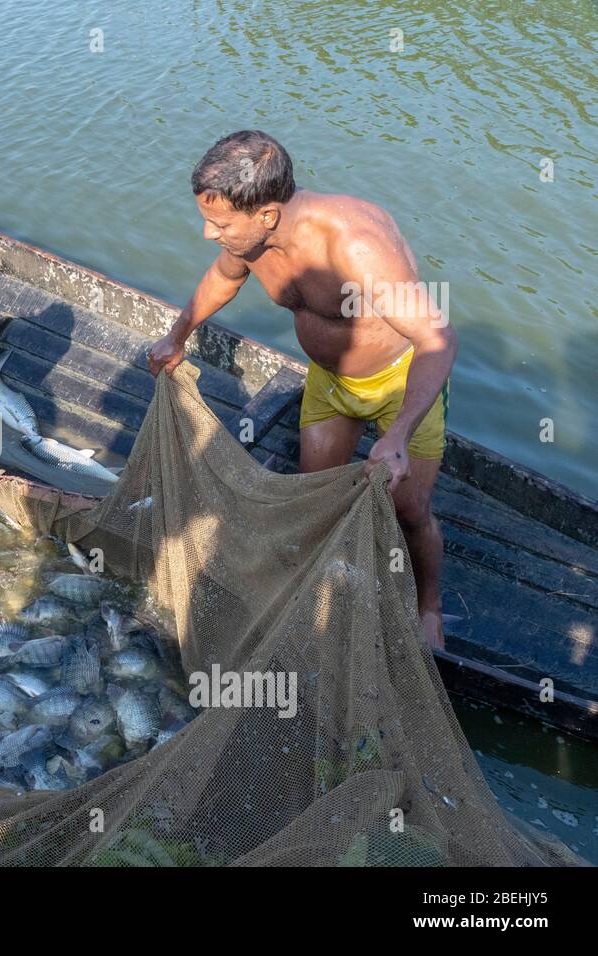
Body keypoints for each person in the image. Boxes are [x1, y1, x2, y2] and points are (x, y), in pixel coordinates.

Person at [148, 131, 456, 649]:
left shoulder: (354, 246)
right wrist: (176, 336)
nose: (208, 233)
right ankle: (326, 589)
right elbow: (224, 279)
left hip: (398, 382)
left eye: (219, 223)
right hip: (329, 382)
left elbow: (436, 339)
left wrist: (399, 434)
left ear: (267, 214)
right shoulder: (250, 240)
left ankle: (429, 605)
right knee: (317, 496)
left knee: (410, 510)